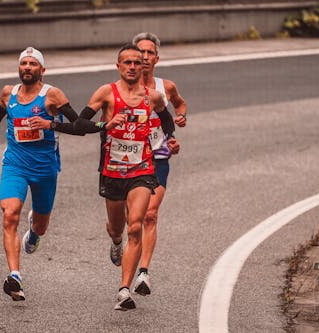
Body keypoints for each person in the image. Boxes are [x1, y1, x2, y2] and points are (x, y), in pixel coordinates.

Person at [0, 47, 81, 302]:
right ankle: (15, 276)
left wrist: (50, 124)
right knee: (9, 214)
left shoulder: (52, 95)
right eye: (24, 63)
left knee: (41, 225)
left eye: (32, 64)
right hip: (15, 164)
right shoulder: (9, 93)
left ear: (42, 70)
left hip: (45, 168)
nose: (27, 67)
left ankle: (34, 233)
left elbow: (79, 126)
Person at [71, 44, 178, 311]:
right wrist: (104, 125)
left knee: (136, 224)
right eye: (126, 62)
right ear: (118, 66)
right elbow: (79, 124)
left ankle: (124, 289)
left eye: (136, 62)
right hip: (112, 171)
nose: (132, 66)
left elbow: (167, 122)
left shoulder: (153, 97)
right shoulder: (106, 93)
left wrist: (171, 139)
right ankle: (116, 242)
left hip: (142, 169)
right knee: (117, 228)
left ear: (143, 66)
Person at [130, 32, 187, 296]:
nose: (144, 56)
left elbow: (180, 104)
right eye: (140, 52)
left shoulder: (167, 87)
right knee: (130, 220)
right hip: (129, 158)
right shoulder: (121, 89)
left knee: (150, 214)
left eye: (149, 52)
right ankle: (119, 241)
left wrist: (181, 116)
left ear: (156, 58)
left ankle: (143, 273)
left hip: (158, 157)